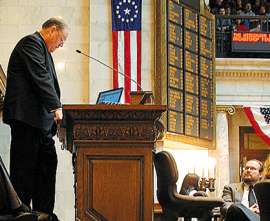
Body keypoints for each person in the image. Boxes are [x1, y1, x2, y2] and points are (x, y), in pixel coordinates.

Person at [3, 17, 69, 221]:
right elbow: (41, 77)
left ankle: (44, 215)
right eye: (62, 38)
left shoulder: (43, 50)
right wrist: (56, 107)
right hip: (28, 123)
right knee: (24, 175)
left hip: (41, 126)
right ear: (52, 29)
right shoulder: (30, 43)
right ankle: (22, 216)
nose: (62, 44)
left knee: (47, 169)